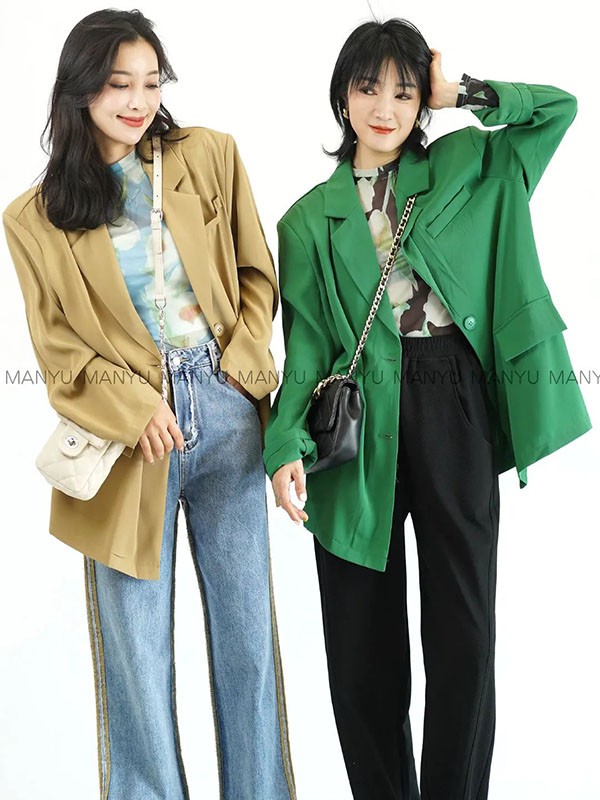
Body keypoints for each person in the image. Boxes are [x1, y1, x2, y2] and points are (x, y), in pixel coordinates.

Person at [263, 17, 591, 800]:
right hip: (353, 421)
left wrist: (462, 91)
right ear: (342, 96)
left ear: (423, 103)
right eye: (368, 88)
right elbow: (305, 349)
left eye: (405, 93)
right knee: (359, 647)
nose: (385, 108)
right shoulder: (307, 220)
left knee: (463, 634)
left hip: (453, 399)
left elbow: (558, 110)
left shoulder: (466, 162)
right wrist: (282, 447)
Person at [3, 9, 295, 800]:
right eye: (117, 84)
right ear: (79, 90)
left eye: (150, 81)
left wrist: (238, 366)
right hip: (128, 439)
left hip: (227, 413)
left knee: (247, 641)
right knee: (136, 652)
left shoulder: (209, 155)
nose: (137, 100)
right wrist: (135, 407)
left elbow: (257, 275)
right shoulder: (33, 218)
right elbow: (59, 352)